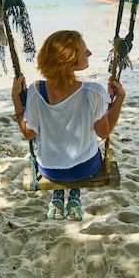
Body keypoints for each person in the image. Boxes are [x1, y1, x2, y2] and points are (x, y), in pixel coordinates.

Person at [11, 30, 125, 221]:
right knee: (83, 152)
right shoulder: (93, 92)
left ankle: (58, 194)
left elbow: (28, 134)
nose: (89, 53)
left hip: (49, 169)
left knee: (65, 157)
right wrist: (119, 99)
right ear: (70, 61)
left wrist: (16, 99)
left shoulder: (35, 90)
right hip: (84, 168)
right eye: (84, 51)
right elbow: (104, 133)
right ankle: (74, 194)